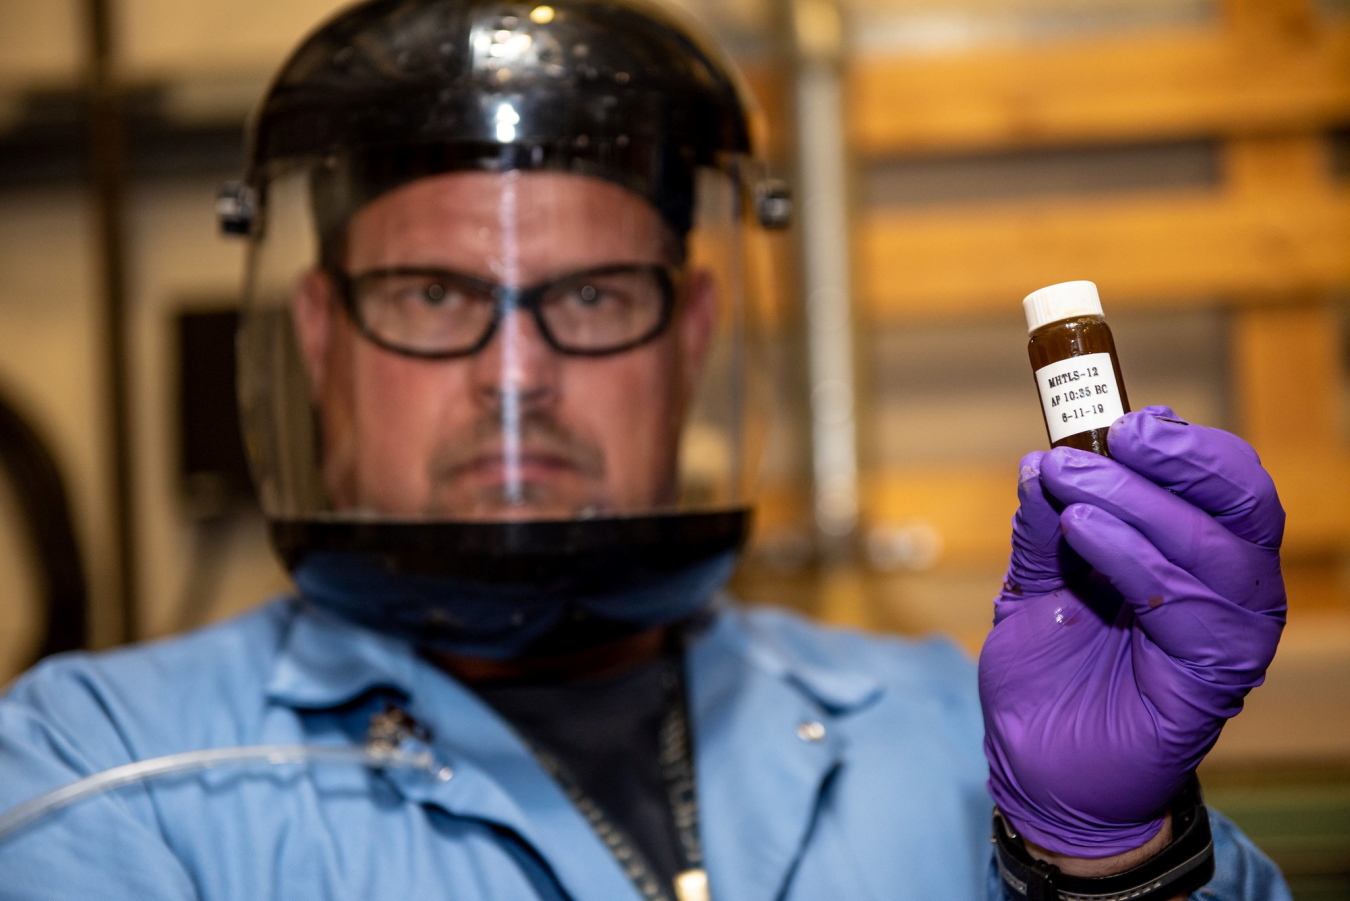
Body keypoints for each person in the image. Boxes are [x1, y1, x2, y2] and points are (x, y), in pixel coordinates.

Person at [0, 0, 1291, 898]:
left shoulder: (937, 730)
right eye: (434, 297)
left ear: (693, 337)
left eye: (596, 296)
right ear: (321, 339)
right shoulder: (100, 767)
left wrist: (1112, 862)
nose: (515, 378)